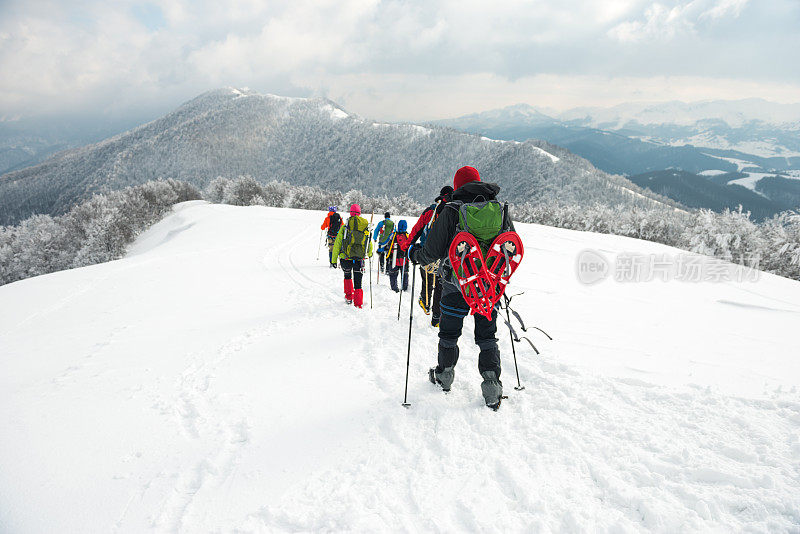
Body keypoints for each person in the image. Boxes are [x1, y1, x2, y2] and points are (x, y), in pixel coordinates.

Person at [408, 166, 513, 410]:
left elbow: (432, 251)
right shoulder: (498, 209)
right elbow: (509, 246)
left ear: (457, 186)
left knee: (448, 335)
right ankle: (492, 390)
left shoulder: (451, 209)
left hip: (456, 286)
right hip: (488, 288)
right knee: (487, 337)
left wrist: (415, 254)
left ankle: (444, 377)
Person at [404, 186, 453, 327]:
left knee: (426, 279)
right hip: (446, 256)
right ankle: (437, 318)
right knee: (440, 285)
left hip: (428, 252)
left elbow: (417, 230)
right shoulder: (456, 210)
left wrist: (409, 246)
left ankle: (425, 303)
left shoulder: (432, 210)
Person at [331, 204, 374, 308]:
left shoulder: (345, 226)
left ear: (350, 213)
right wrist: (369, 253)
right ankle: (358, 304)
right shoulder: (365, 226)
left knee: (347, 276)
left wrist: (333, 259)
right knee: (358, 281)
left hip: (345, 257)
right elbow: (368, 242)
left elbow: (337, 243)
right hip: (359, 258)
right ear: (359, 213)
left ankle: (349, 297)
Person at [386, 220, 411, 292]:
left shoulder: (393, 236)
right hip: (404, 259)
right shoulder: (407, 236)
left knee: (393, 274)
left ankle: (394, 288)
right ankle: (405, 288)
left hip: (394, 259)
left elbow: (389, 246)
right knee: (405, 273)